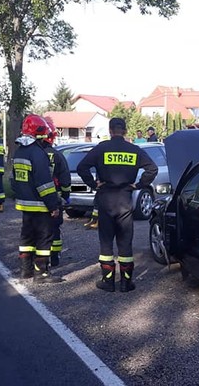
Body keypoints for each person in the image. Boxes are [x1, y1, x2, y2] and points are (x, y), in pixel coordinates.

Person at [77, 118, 158, 292]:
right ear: (126, 130)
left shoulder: (101, 148)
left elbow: (82, 167)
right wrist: (139, 184)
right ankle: (126, 282)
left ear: (110, 130)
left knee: (106, 243)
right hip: (125, 200)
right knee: (125, 242)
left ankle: (108, 281)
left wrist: (93, 184)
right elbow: (152, 169)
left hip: (105, 200)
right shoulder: (134, 150)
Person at [13, 114, 63, 283]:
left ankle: (25, 271)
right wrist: (53, 205)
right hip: (41, 206)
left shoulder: (19, 151)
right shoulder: (38, 154)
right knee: (43, 239)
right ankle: (41, 274)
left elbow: (14, 180)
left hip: (25, 206)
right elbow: (44, 184)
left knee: (26, 238)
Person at [44, 117, 71, 267]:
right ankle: (54, 258)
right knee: (55, 230)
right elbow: (65, 180)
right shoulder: (57, 155)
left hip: (36, 200)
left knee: (38, 229)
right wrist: (66, 197)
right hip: (55, 200)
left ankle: (36, 260)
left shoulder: (33, 154)